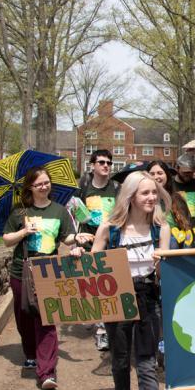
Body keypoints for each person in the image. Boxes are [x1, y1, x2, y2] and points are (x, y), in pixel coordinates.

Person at [91, 171, 171, 390]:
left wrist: (161, 263)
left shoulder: (161, 229)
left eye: (154, 192)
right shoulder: (110, 229)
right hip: (117, 295)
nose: (151, 197)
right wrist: (78, 257)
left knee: (147, 362)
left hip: (148, 295)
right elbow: (92, 265)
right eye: (145, 192)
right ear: (130, 195)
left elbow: (163, 275)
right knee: (121, 358)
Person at [2, 166, 88, 390]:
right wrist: (23, 232)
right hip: (21, 272)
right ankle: (30, 352)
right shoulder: (19, 212)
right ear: (30, 187)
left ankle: (47, 372)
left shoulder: (59, 211)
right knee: (24, 317)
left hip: (49, 271)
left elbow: (66, 237)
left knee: (47, 320)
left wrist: (76, 238)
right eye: (39, 183)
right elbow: (6, 240)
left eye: (46, 182)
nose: (43, 186)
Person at [78, 149, 119, 351]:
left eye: (109, 163)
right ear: (92, 165)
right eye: (101, 162)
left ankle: (108, 328)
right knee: (94, 288)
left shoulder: (116, 189)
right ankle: (101, 330)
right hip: (89, 244)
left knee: (109, 288)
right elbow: (76, 217)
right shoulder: (83, 190)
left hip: (112, 245)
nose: (106, 166)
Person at [147, 160, 195, 248]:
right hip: (151, 247)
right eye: (152, 174)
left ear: (167, 176)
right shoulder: (143, 200)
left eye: (160, 173)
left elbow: (188, 225)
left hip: (176, 249)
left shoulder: (177, 198)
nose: (156, 177)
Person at [172, 154, 195, 234]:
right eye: (185, 172)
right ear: (177, 168)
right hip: (177, 234)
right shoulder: (170, 185)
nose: (188, 175)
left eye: (190, 172)